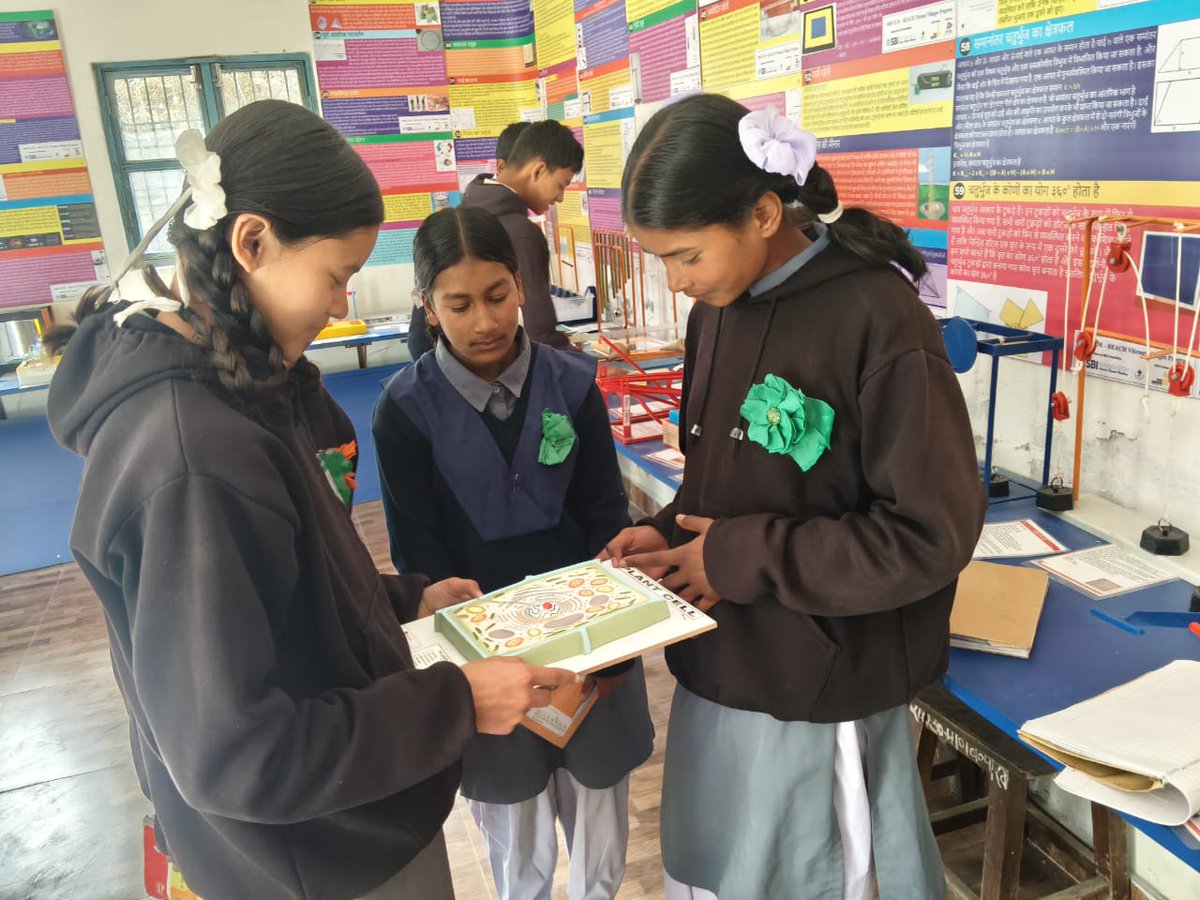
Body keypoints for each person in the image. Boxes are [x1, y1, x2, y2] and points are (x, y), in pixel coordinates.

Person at [44, 99, 576, 900]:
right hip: (308, 862)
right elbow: (235, 753)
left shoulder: (243, 389)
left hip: (349, 825)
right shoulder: (193, 458)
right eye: (338, 276)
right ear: (251, 241)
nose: (339, 307)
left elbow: (282, 598)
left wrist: (403, 600)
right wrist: (454, 703)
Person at [604, 93, 986, 900]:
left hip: (820, 692)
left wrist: (735, 556)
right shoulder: (719, 311)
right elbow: (728, 486)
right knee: (717, 876)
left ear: (765, 212)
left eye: (685, 256)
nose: (677, 284)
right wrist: (668, 537)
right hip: (723, 666)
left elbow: (927, 536)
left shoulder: (878, 319)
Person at [372, 205, 653, 900]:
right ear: (427, 307)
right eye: (458, 304)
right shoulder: (405, 410)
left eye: (497, 295)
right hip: (485, 659)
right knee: (515, 837)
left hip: (591, 647)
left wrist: (610, 655)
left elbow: (604, 520)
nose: (484, 321)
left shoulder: (574, 384)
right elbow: (421, 560)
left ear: (523, 285)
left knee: (599, 829)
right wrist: (464, 674)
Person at [460, 119, 583, 349]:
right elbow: (539, 330)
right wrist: (589, 368)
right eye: (561, 185)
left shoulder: (463, 211)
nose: (560, 198)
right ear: (538, 170)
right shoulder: (520, 233)